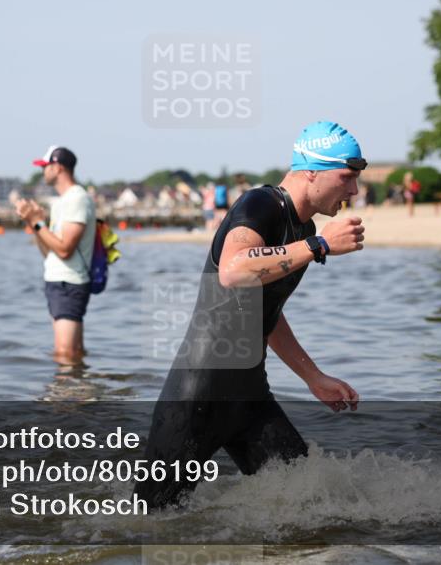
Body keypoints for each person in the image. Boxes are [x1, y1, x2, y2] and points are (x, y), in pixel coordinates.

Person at [135, 121, 366, 509]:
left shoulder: (302, 227)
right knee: (145, 526)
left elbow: (266, 311)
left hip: (249, 398)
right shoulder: (260, 205)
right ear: (311, 171)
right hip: (197, 398)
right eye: (346, 177)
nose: (354, 190)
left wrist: (314, 377)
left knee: (313, 508)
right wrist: (319, 245)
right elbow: (233, 271)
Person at [16, 146, 96, 365]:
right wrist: (34, 224)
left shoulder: (77, 199)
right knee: (73, 353)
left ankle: (66, 398)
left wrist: (37, 222)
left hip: (68, 283)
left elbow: (64, 249)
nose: (43, 171)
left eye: (45, 166)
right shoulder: (62, 202)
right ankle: (78, 394)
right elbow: (50, 252)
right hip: (59, 282)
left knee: (64, 354)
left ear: (58, 167)